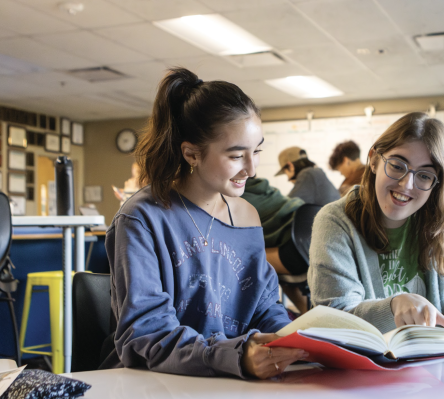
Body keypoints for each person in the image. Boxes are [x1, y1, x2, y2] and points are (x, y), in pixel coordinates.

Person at [100, 68, 308, 379]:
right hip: (154, 383)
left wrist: (295, 341)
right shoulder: (141, 217)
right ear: (191, 153)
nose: (251, 170)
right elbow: (148, 336)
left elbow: (264, 309)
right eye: (237, 155)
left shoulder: (247, 216)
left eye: (257, 151)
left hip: (228, 378)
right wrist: (234, 357)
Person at [308, 112, 444, 360]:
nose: (407, 185)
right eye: (397, 165)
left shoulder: (440, 225)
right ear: (374, 160)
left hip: (431, 370)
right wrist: (393, 306)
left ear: (436, 183)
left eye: (424, 175)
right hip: (359, 373)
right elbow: (334, 317)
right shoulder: (334, 221)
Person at [241, 177, 310, 313]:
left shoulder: (237, 198)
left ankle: (260, 316)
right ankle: (308, 316)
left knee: (242, 261)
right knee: (279, 275)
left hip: (296, 251)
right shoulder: (265, 187)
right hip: (309, 245)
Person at [275, 146, 340, 206]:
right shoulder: (317, 173)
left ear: (290, 166)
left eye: (286, 173)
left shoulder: (307, 174)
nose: (288, 179)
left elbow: (287, 206)